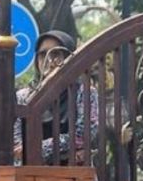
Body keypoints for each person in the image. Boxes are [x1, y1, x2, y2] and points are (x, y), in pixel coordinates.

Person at [13, 29, 98, 165]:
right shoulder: (23, 96)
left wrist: (38, 148)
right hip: (33, 174)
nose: (49, 59)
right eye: (43, 54)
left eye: (56, 53)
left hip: (74, 175)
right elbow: (17, 142)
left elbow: (83, 135)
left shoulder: (84, 92)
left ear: (69, 57)